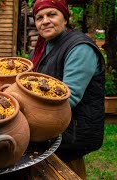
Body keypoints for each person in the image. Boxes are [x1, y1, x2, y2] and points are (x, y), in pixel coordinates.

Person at [30, 0, 105, 178]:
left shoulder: (79, 48)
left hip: (74, 131)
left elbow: (69, 99)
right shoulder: (42, 47)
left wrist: (27, 111)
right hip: (53, 128)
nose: (45, 21)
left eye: (52, 14)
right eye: (39, 17)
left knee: (63, 173)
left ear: (65, 18)